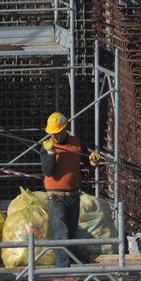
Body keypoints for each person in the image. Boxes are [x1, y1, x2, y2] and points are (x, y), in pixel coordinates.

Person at [39, 112, 99, 271]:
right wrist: (51, 154)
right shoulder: (47, 146)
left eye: (57, 132)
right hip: (55, 197)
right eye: (52, 132)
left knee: (71, 235)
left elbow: (87, 161)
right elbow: (48, 171)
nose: (54, 135)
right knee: (62, 235)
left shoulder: (77, 144)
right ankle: (63, 270)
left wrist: (93, 162)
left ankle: (70, 268)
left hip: (73, 195)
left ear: (64, 129)